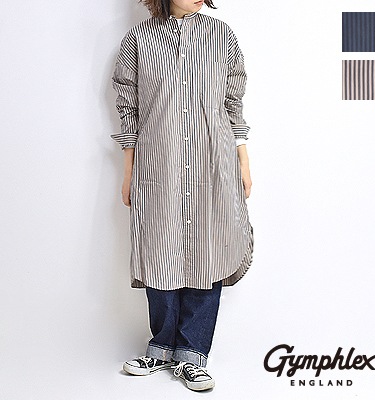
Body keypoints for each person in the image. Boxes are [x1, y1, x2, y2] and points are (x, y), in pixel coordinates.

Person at [110, 0, 254, 392]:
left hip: (213, 163)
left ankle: (192, 354)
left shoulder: (221, 36)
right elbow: (129, 109)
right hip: (158, 165)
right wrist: (128, 170)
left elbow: (233, 103)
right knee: (160, 250)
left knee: (209, 249)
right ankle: (161, 347)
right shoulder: (139, 40)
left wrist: (242, 160)